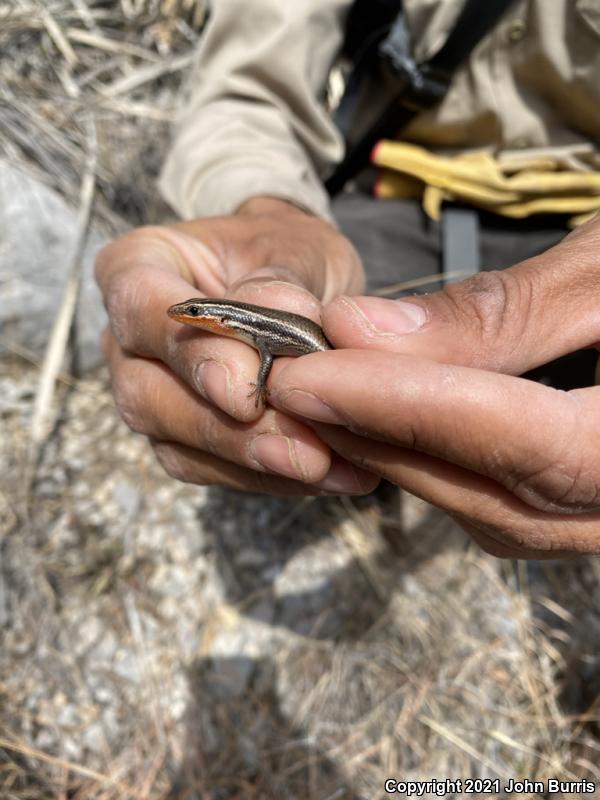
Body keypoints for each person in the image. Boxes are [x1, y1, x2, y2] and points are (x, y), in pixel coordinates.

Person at [95, 0, 600, 558]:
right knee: (340, 413)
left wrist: (259, 383)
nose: (190, 319)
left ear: (216, 318)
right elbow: (250, 87)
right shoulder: (244, 325)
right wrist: (268, 211)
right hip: (394, 198)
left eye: (194, 314)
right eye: (193, 314)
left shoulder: (249, 331)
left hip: (582, 228)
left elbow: (265, 359)